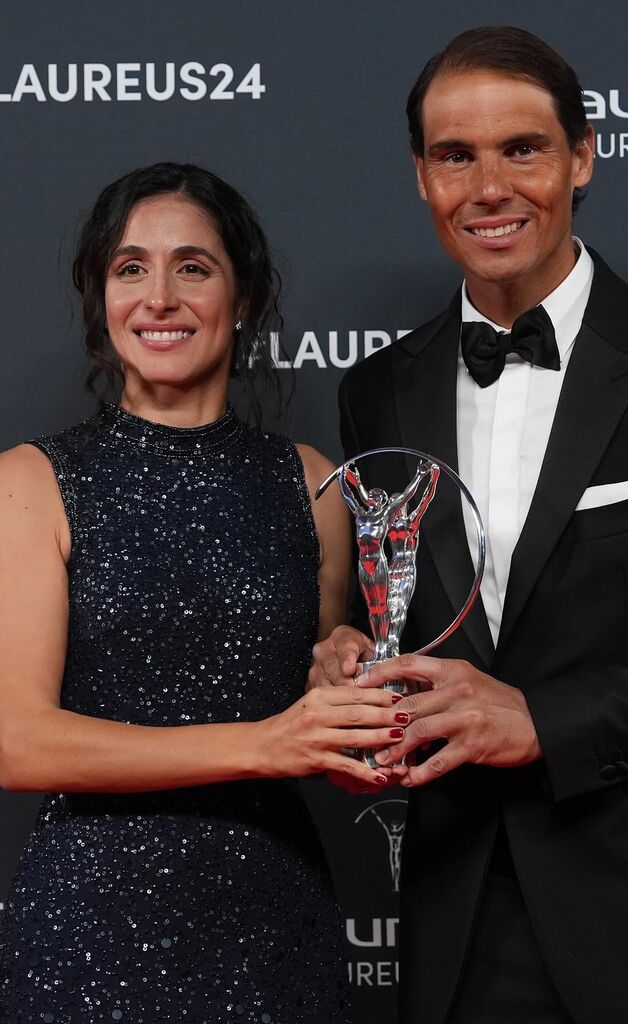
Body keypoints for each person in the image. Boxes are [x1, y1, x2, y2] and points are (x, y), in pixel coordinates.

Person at [310, 26, 628, 1024]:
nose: (489, 187)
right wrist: (350, 654)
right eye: (455, 155)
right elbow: (402, 617)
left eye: (522, 148)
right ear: (421, 177)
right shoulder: (379, 391)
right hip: (458, 920)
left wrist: (541, 720)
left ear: (583, 156)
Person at [0, 162, 405, 1024]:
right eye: (129, 269)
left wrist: (336, 667)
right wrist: (265, 743)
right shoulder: (30, 483)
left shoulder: (315, 485)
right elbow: (19, 743)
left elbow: (315, 671)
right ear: (99, 298)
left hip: (277, 914)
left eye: (193, 266)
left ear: (244, 294)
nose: (159, 297)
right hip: (93, 928)